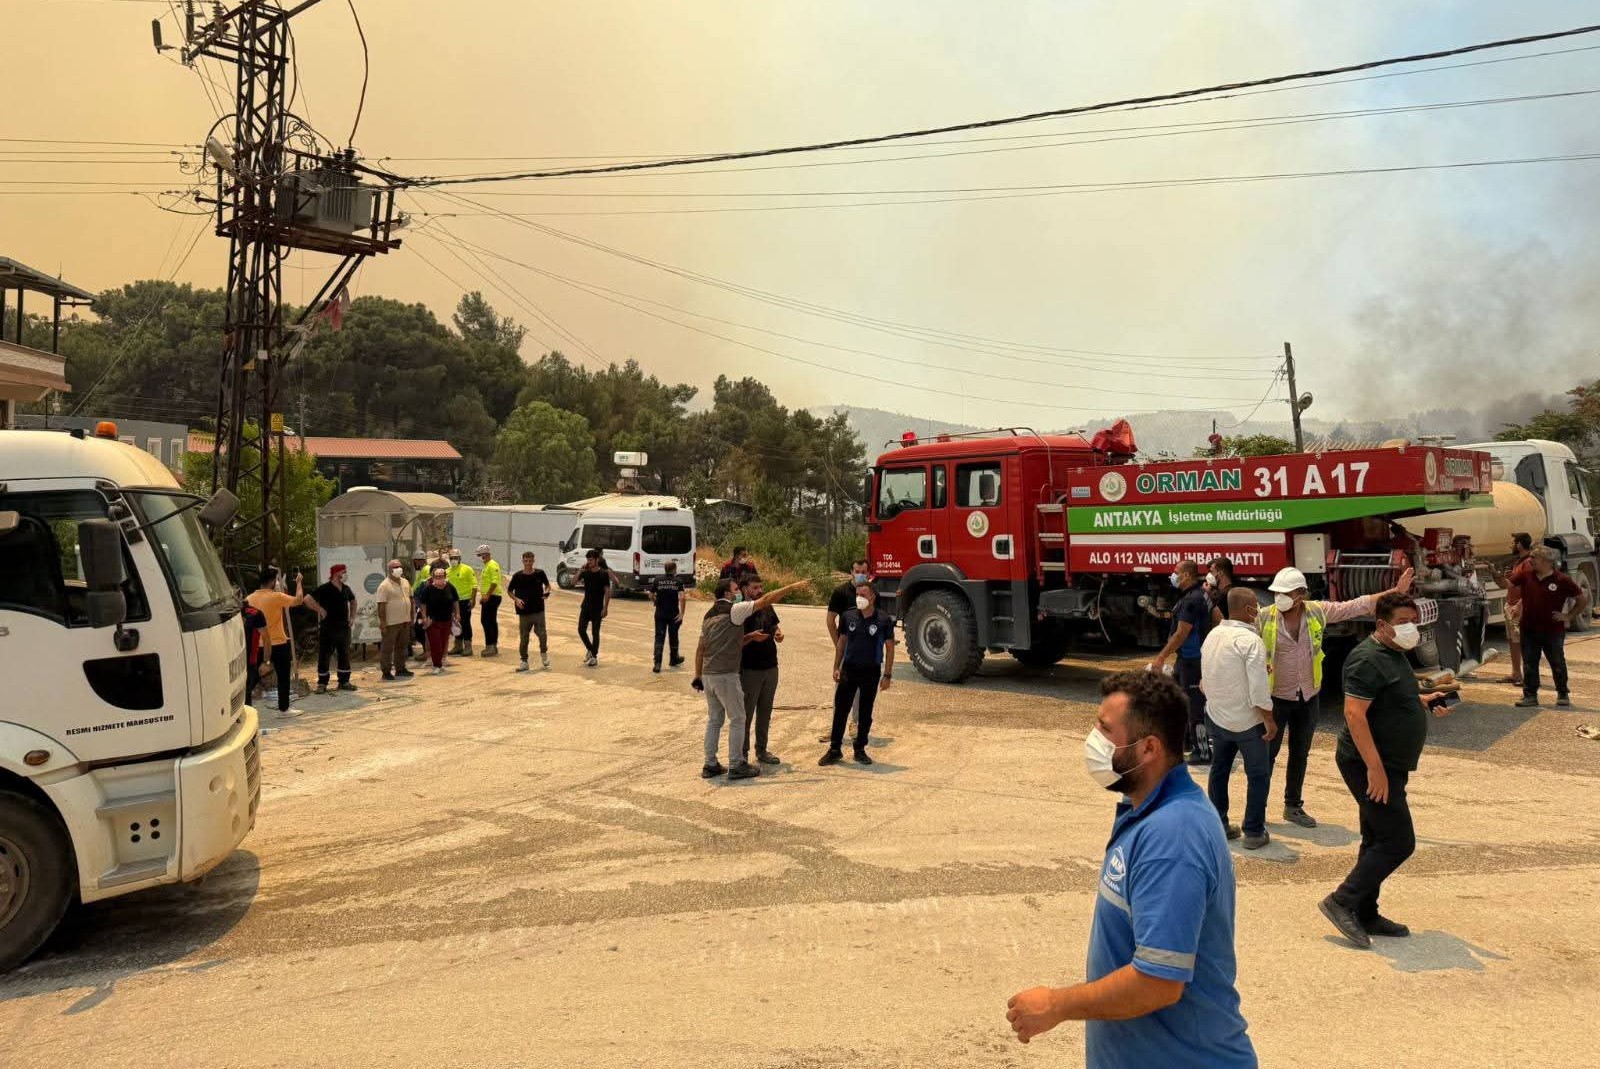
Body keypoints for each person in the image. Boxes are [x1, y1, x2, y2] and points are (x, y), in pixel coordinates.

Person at [1004, 671, 1256, 1066]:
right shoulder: (1146, 808)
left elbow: (1158, 982)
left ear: (1149, 748)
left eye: (1106, 730)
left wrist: (1056, 1005)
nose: (1094, 740)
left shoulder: (1172, 838)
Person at [1318, 593, 1453, 949]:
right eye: (1403, 622)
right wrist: (1374, 769)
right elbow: (1354, 714)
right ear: (1382, 624)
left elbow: (1391, 695)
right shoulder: (1366, 659)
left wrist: (1423, 701)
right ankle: (1342, 900)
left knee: (1376, 837)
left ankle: (1366, 911)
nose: (1411, 628)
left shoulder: (1393, 652)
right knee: (1398, 841)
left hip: (1390, 763)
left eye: (1414, 621)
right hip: (1368, 764)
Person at [1257, 563, 1413, 829]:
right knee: (1266, 756)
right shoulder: (1264, 617)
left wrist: (1394, 592)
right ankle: (1257, 810)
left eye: (1286, 593)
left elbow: (1357, 605)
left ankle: (1293, 805)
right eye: (1277, 592)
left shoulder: (1317, 611)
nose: (1280, 597)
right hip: (1276, 698)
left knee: (1300, 753)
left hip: (1308, 697)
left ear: (1300, 594)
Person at [693, 577, 810, 779]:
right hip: (726, 675)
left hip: (709, 674)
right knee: (739, 718)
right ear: (728, 594)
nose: (737, 592)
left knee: (714, 720)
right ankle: (737, 763)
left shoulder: (708, 615)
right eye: (735, 589)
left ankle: (710, 764)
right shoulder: (735, 610)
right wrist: (792, 586)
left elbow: (701, 648)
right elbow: (765, 600)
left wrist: (698, 675)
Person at [1201, 587, 1278, 849]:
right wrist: (1269, 720)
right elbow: (1258, 689)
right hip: (1248, 723)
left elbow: (1207, 678)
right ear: (1248, 610)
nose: (1258, 610)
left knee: (1219, 770)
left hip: (1218, 718)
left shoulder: (1213, 636)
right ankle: (1254, 832)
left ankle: (1219, 825)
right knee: (1258, 775)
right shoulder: (1251, 641)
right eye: (1256, 606)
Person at [820, 581, 896, 766]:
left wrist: (887, 675)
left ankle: (860, 749)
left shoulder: (883, 620)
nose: (859, 598)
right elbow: (841, 642)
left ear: (872, 598)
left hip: (870, 672)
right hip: (849, 670)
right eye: (857, 595)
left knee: (865, 713)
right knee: (841, 710)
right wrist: (836, 667)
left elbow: (890, 648)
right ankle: (834, 750)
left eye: (863, 595)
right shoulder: (848, 616)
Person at [1149, 560, 1211, 766]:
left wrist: (1161, 657)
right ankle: (1185, 742)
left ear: (1187, 575)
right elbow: (1217, 617)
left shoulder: (1191, 600)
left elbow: (1181, 633)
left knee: (1194, 706)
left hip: (1192, 660)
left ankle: (1202, 751)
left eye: (1176, 572)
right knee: (1177, 701)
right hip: (1186, 659)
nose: (1173, 575)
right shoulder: (1199, 595)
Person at [1511, 546, 1588, 708]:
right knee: (1529, 663)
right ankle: (1530, 696)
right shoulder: (1526, 575)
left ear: (1546, 561)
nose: (1530, 560)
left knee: (1557, 662)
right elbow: (1506, 583)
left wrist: (1569, 616)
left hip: (1552, 630)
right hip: (1529, 629)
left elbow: (1582, 599)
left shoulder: (1562, 580)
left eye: (1534, 557)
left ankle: (1562, 693)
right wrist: (1495, 575)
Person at [821, 559, 872, 743]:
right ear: (851, 572)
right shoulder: (840, 592)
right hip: (846, 650)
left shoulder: (872, 593)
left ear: (868, 573)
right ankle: (836, 728)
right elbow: (830, 620)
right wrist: (838, 646)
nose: (860, 574)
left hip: (865, 651)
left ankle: (855, 725)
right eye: (857, 571)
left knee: (861, 691)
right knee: (841, 690)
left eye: (864, 572)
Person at [245, 566, 306, 713]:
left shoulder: (248, 599)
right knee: (283, 677)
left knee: (251, 678)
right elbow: (299, 600)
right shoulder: (277, 597)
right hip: (278, 643)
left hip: (258, 645)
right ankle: (284, 708)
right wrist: (299, 582)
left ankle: (244, 708)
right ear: (273, 582)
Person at [740, 573, 783, 767]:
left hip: (771, 667)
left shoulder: (766, 605)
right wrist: (751, 637)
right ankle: (741, 754)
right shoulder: (740, 610)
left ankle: (762, 750)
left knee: (765, 711)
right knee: (746, 714)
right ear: (745, 589)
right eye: (755, 588)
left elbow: (774, 626)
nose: (760, 591)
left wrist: (778, 633)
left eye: (761, 587)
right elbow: (733, 641)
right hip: (750, 669)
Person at [306, 564, 358, 693]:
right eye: (343, 572)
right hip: (328, 628)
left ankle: (344, 681)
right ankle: (322, 683)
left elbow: (353, 601)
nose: (345, 574)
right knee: (324, 655)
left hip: (344, 628)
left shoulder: (346, 589)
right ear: (336, 573)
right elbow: (307, 599)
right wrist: (319, 609)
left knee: (344, 654)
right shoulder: (325, 588)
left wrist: (352, 617)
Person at [1496, 533, 1537, 687]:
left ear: (1519, 544)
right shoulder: (1519, 562)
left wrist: (1521, 604)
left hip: (1519, 607)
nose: (1510, 545)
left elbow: (1532, 586)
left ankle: (1529, 677)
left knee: (1524, 642)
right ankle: (1516, 673)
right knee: (1513, 641)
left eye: (1513, 543)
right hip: (1511, 605)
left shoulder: (1528, 562)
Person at [507, 550, 552, 672]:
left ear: (533, 561)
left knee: (542, 634)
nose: (528, 563)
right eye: (526, 561)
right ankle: (524, 661)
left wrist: (547, 592)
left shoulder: (540, 573)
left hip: (538, 610)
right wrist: (516, 599)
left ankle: (543, 653)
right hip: (524, 612)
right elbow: (509, 591)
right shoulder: (517, 576)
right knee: (524, 638)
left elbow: (548, 585)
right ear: (522, 561)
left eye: (530, 561)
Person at [375, 558, 415, 682]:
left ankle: (401, 668)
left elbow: (411, 599)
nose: (399, 569)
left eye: (399, 566)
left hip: (405, 621)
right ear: (390, 570)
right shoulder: (384, 586)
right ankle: (386, 671)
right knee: (387, 648)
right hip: (390, 623)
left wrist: (411, 616)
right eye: (395, 567)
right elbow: (381, 605)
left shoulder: (405, 582)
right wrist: (383, 622)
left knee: (402, 646)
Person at [416, 565, 461, 675]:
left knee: (443, 642)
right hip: (432, 621)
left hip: (447, 620)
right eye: (437, 576)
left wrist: (457, 613)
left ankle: (440, 662)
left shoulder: (450, 587)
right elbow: (423, 604)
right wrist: (424, 616)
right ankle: (436, 665)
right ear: (433, 577)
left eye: (441, 576)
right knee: (436, 644)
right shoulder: (428, 589)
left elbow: (455, 601)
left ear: (445, 576)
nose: (439, 578)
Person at [649, 560, 688, 673]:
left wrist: (655, 601)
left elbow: (651, 594)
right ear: (674, 569)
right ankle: (674, 659)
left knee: (659, 637)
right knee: (673, 636)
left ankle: (657, 663)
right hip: (673, 614)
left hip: (660, 614)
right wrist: (682, 613)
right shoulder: (678, 581)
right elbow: (682, 597)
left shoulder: (657, 580)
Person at [577, 549, 613, 666]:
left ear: (597, 560)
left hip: (598, 608)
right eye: (588, 559)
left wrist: (605, 608)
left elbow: (607, 591)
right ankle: (590, 649)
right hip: (585, 606)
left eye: (591, 559)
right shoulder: (585, 572)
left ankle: (594, 657)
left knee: (595, 633)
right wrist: (580, 571)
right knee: (581, 630)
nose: (589, 562)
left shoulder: (603, 574)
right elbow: (573, 582)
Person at [446, 549, 478, 656]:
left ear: (459, 558)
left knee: (465, 623)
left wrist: (473, 599)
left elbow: (474, 585)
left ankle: (468, 647)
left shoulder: (467, 569)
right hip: (452, 602)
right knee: (455, 624)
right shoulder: (447, 571)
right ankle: (458, 646)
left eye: (455, 558)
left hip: (465, 601)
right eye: (451, 558)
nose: (453, 560)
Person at [475, 544, 504, 658]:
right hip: (489, 596)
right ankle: (492, 645)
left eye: (481, 555)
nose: (481, 557)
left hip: (492, 596)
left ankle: (490, 646)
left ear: (486, 554)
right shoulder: (487, 565)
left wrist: (487, 595)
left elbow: (494, 582)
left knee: (487, 621)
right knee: (490, 621)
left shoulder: (492, 565)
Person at [1208, 557, 1237, 625]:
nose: (1209, 575)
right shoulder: (1234, 590)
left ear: (1220, 573)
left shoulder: (1224, 596)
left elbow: (1219, 621)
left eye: (1212, 572)